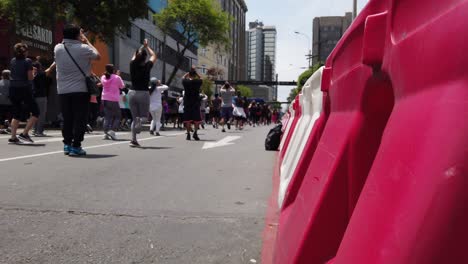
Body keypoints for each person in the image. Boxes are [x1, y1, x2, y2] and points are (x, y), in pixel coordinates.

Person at [52, 25, 101, 155]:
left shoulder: (57, 48)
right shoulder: (84, 48)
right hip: (80, 89)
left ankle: (67, 144)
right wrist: (87, 41)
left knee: (67, 118)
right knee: (80, 118)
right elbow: (98, 56)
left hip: (63, 90)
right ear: (77, 36)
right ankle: (76, 145)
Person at [7, 43, 39, 144]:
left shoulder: (12, 61)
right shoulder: (27, 61)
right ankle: (24, 134)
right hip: (24, 88)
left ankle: (13, 137)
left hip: (12, 88)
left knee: (16, 113)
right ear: (24, 52)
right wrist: (34, 73)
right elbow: (30, 78)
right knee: (36, 112)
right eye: (27, 50)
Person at [129, 38, 157, 147]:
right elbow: (154, 55)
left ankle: (133, 140)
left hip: (132, 92)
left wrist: (142, 46)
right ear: (145, 58)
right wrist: (147, 46)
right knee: (144, 117)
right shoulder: (147, 66)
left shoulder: (132, 64)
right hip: (143, 93)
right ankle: (140, 121)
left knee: (134, 118)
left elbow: (134, 55)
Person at [101, 64, 125, 140]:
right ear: (113, 70)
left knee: (107, 117)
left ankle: (105, 133)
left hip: (104, 98)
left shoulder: (103, 77)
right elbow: (122, 86)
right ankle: (112, 131)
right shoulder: (117, 77)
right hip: (114, 99)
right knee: (118, 116)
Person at [181, 66, 203, 140]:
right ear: (195, 75)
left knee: (187, 119)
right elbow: (201, 78)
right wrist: (196, 73)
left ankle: (188, 134)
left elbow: (183, 77)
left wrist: (188, 73)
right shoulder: (197, 82)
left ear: (189, 75)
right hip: (195, 103)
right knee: (196, 120)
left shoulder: (185, 82)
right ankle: (195, 133)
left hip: (187, 103)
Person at [31, 61, 51, 137]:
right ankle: (39, 131)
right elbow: (49, 70)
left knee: (34, 114)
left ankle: (34, 130)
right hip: (41, 96)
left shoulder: (31, 74)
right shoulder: (41, 74)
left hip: (33, 96)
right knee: (41, 114)